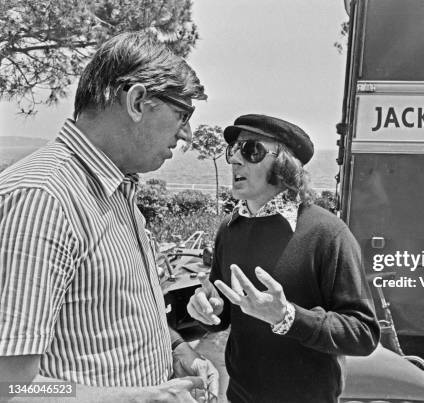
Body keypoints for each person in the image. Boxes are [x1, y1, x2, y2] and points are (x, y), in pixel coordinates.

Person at [0, 31, 218, 402]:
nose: (187, 134)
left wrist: (178, 352)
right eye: (183, 113)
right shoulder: (43, 198)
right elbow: (9, 387)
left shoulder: (117, 191)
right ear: (136, 101)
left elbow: (118, 314)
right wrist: (134, 398)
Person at [187, 114, 380, 402]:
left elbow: (363, 333)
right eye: (233, 150)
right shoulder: (230, 229)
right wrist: (207, 311)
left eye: (250, 150)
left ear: (284, 163)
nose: (235, 160)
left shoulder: (328, 233)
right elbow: (223, 314)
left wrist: (288, 317)